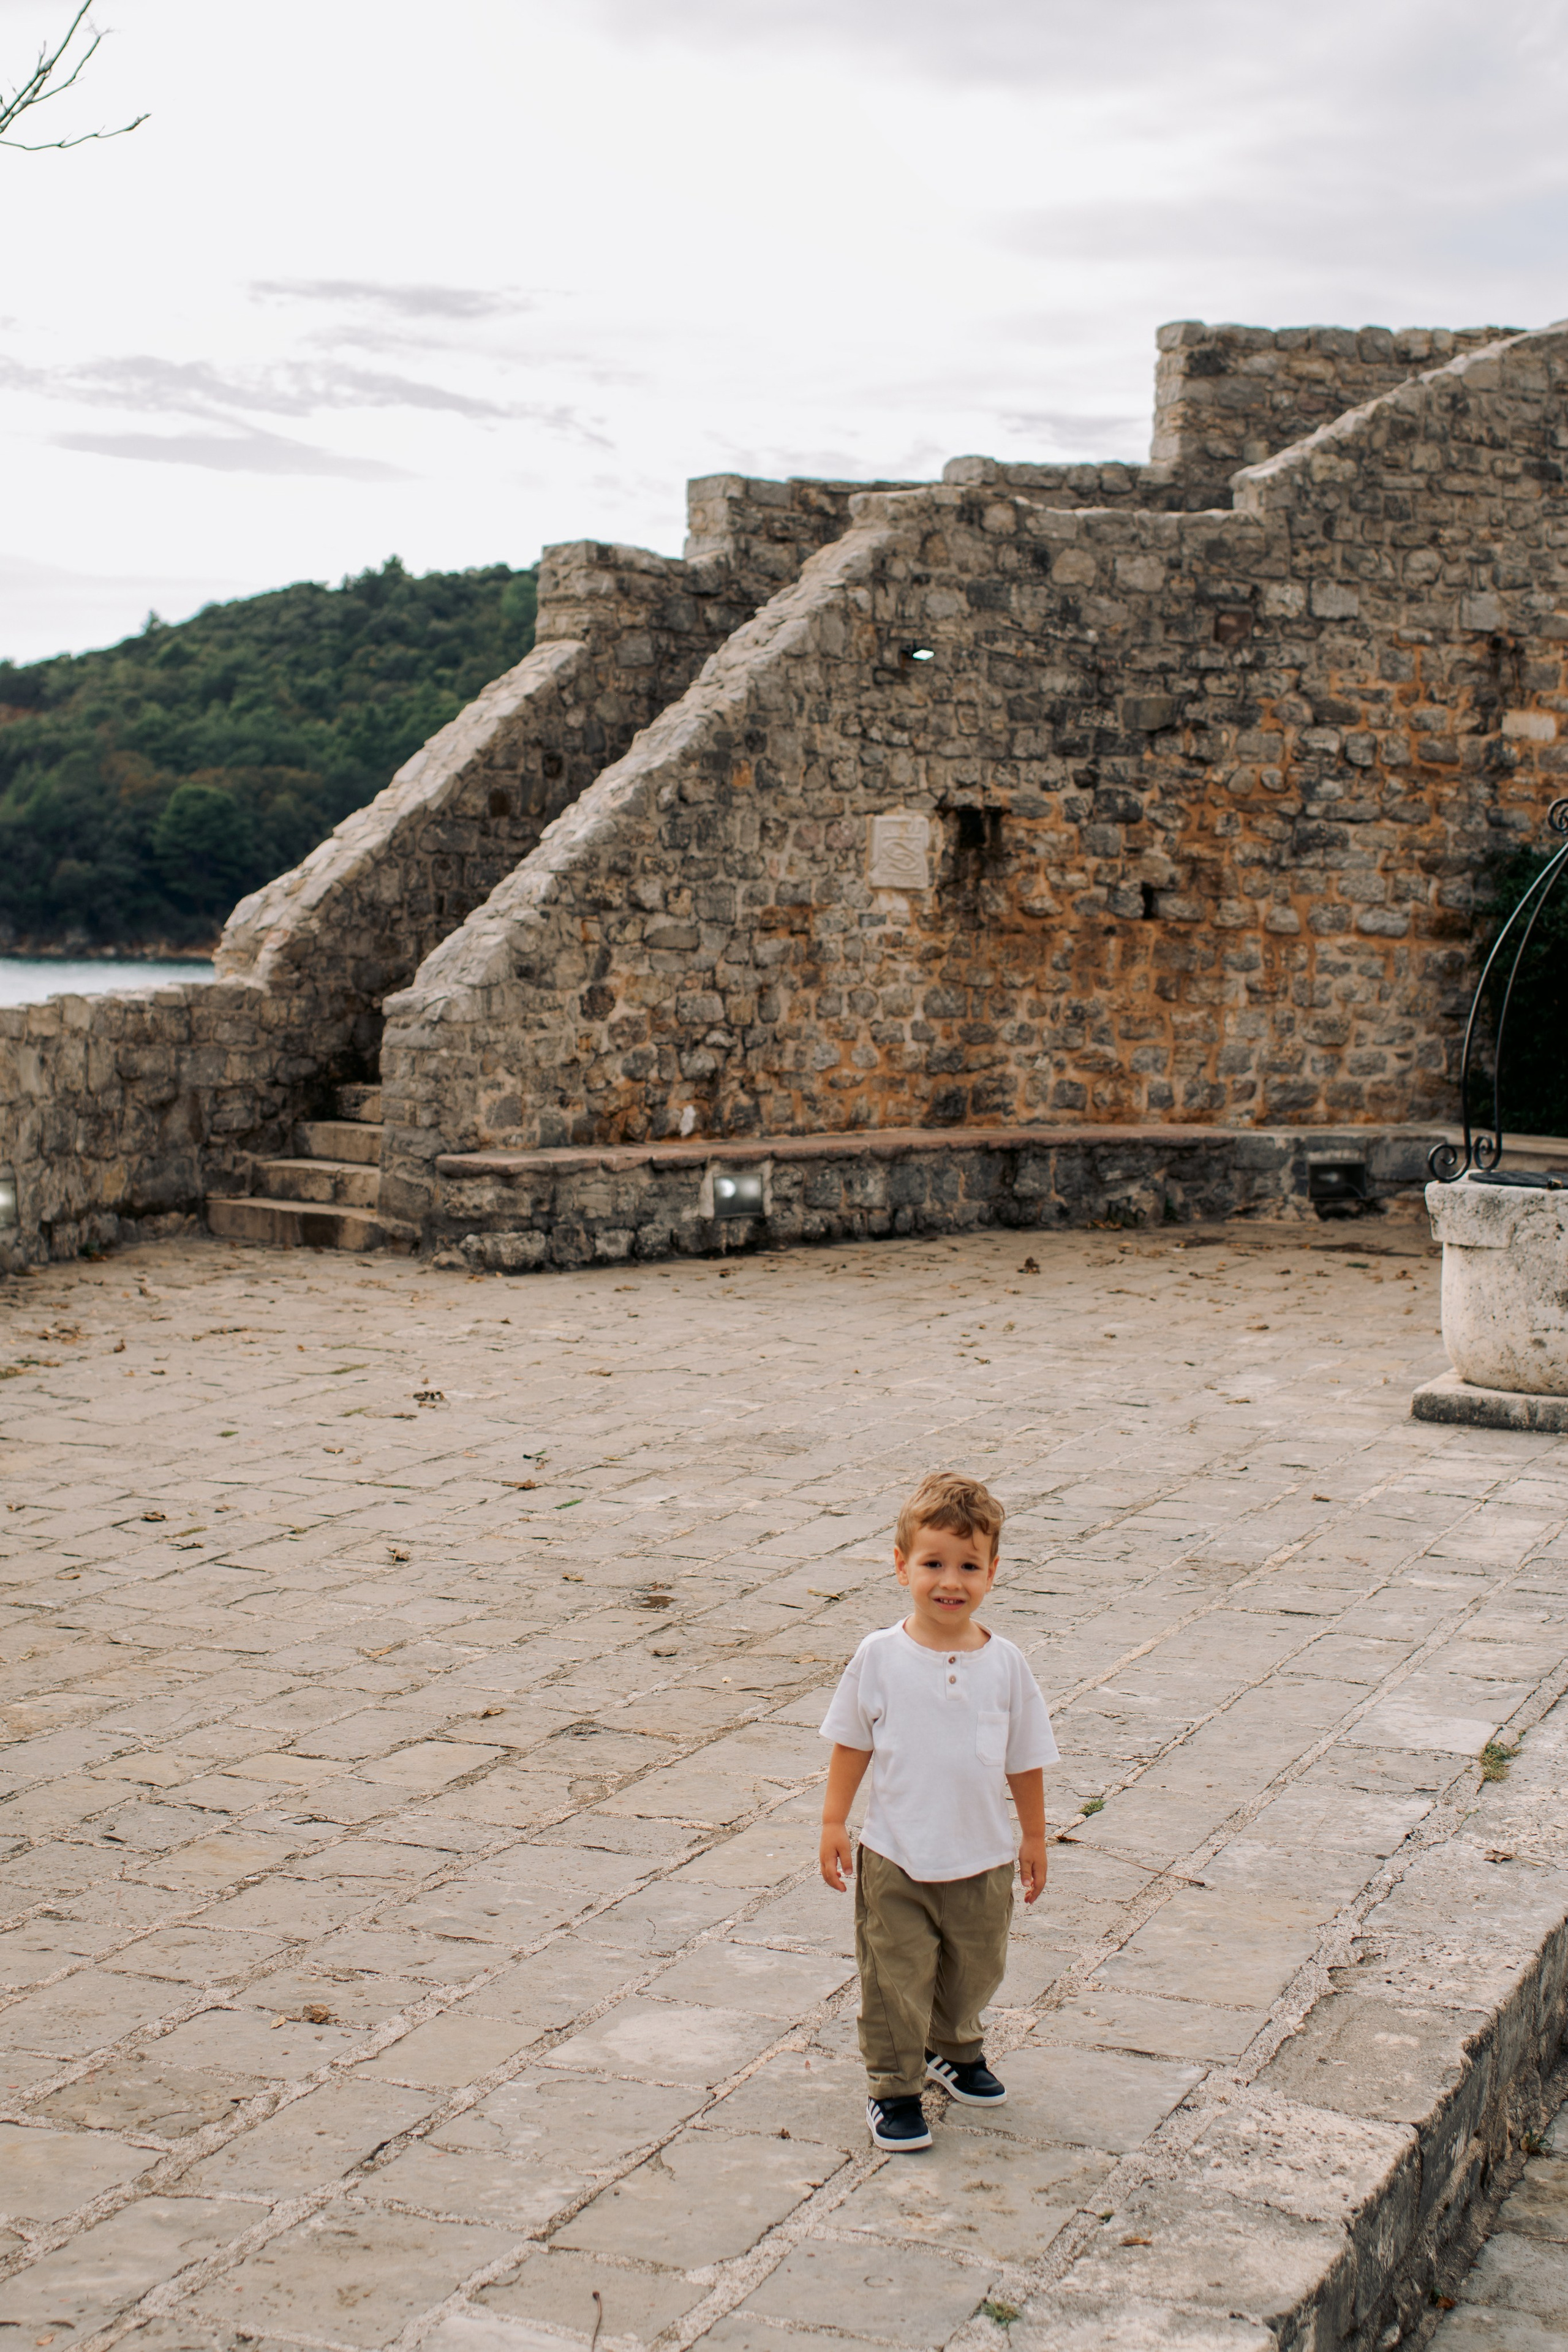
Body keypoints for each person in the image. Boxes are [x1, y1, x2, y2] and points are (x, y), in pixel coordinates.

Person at [818, 1469, 1057, 2152]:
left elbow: (1025, 1757)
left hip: (982, 1857)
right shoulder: (879, 1658)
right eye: (933, 1564)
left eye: (968, 1566)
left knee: (975, 1968)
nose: (950, 1582)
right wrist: (834, 1822)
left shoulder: (1006, 1665)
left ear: (992, 1573)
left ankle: (952, 2048)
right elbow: (851, 1743)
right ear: (902, 1567)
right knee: (894, 1976)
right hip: (897, 1855)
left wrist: (1034, 1836)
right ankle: (893, 2087)